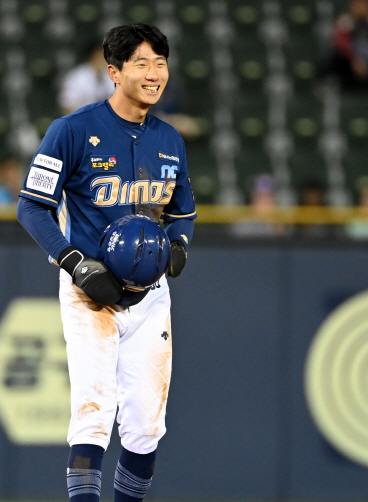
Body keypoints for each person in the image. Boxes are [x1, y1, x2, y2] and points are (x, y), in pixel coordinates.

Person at [16, 23, 195, 502]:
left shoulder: (170, 139)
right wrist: (73, 261)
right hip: (89, 289)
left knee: (145, 424)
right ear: (113, 72)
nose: (154, 73)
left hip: (150, 295)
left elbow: (183, 210)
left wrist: (178, 245)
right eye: (142, 63)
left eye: (160, 62)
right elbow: (31, 206)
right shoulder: (71, 130)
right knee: (93, 413)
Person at [58, 41, 115, 115]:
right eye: (100, 55)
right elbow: (67, 106)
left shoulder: (111, 75)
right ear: (92, 56)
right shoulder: (77, 77)